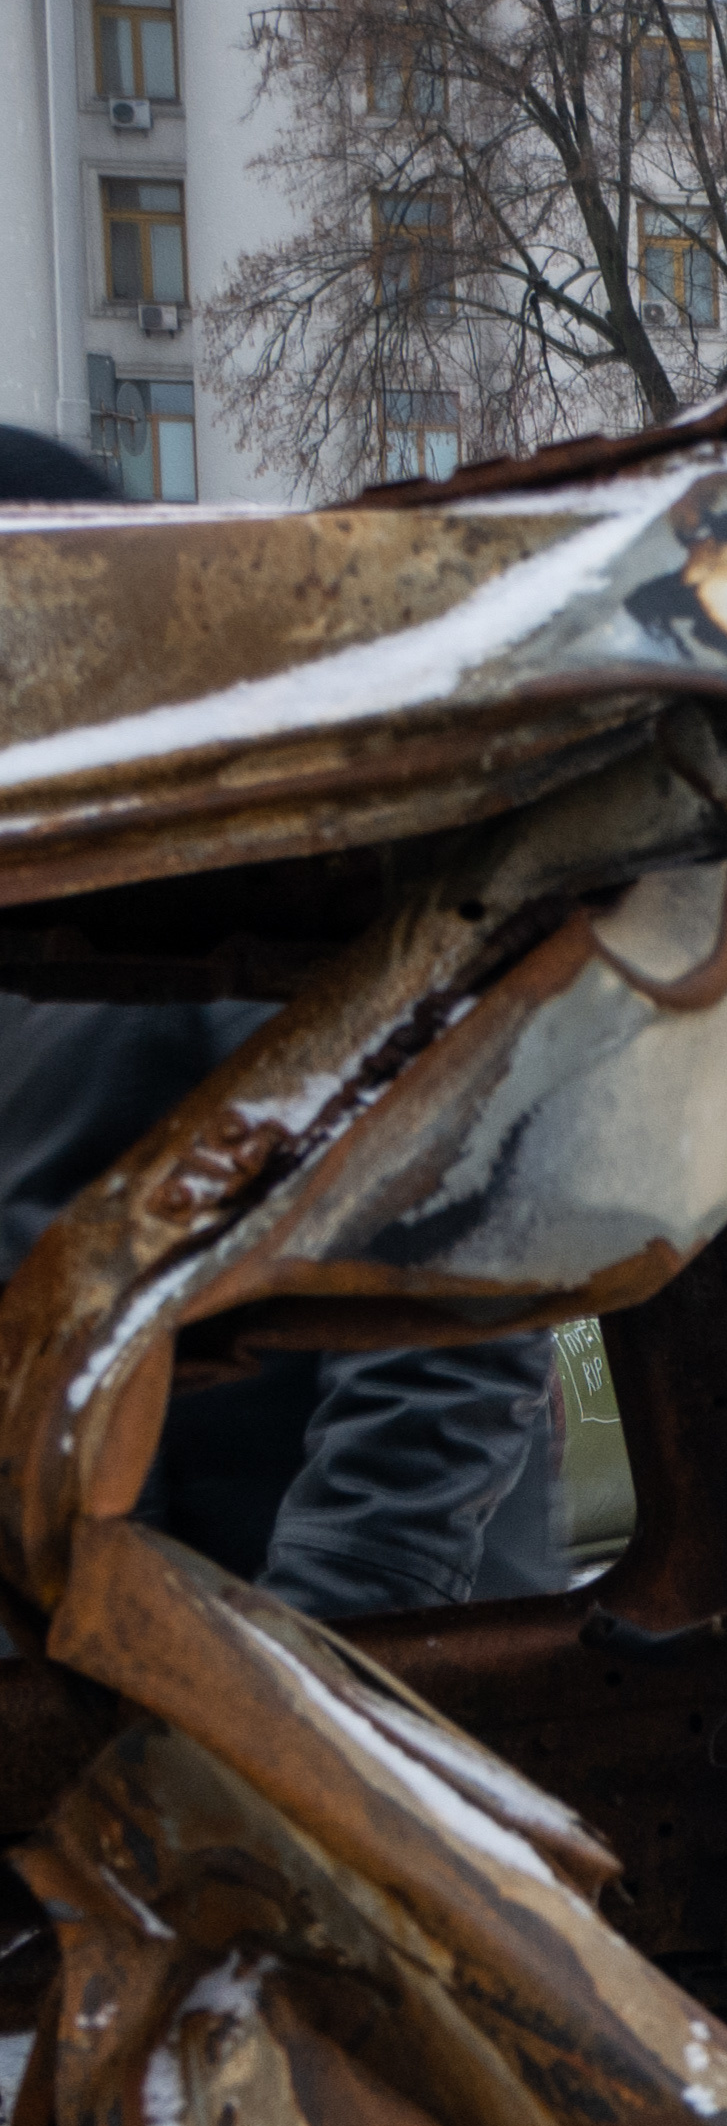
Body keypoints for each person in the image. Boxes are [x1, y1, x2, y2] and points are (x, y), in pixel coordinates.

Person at [0, 422, 565, 1614]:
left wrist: (298, 1678)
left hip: (375, 1671)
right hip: (179, 1671)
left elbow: (438, 1319)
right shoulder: (56, 909)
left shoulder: (248, 883)